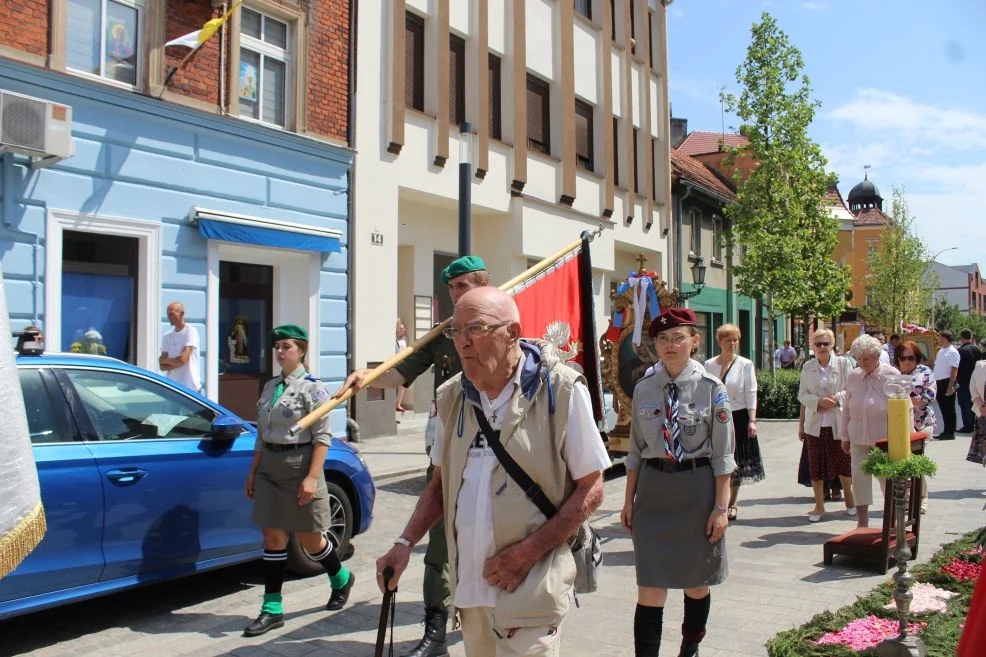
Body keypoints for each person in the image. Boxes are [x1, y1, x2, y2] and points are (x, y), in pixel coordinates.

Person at [375, 287, 610, 656]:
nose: (463, 343)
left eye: (476, 329)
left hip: (531, 587)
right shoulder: (451, 397)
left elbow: (592, 489)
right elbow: (440, 486)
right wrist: (404, 544)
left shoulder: (560, 389)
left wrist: (527, 553)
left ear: (512, 333)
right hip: (470, 593)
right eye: (456, 332)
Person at [333, 255, 489, 657]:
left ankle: (492, 618)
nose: (456, 294)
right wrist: (364, 378)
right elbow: (402, 373)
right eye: (452, 288)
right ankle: (436, 627)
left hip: (496, 451)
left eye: (463, 286)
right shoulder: (444, 333)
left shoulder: (499, 326)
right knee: (438, 540)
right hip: (448, 449)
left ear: (482, 285)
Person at [621, 308, 735, 657]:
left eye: (677, 338)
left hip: (696, 491)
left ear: (694, 341)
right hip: (654, 495)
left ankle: (690, 645)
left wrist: (720, 508)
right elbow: (636, 452)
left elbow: (723, 456)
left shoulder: (712, 389)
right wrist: (628, 502)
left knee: (696, 584)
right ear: (654, 344)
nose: (669, 345)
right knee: (649, 588)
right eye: (662, 339)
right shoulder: (644, 389)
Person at [243, 324, 354, 636]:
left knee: (310, 540)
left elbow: (322, 437)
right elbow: (261, 436)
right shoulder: (268, 388)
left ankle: (341, 578)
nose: (280, 351)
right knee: (273, 539)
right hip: (269, 467)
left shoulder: (314, 388)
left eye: (287, 346)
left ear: (302, 350)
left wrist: (312, 477)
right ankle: (272, 608)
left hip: (300, 465)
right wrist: (252, 471)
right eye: (277, 346)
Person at [840, 334, 900, 529]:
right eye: (858, 358)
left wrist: (902, 439)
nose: (861, 362)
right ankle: (862, 523)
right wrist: (844, 436)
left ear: (876, 356)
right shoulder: (853, 376)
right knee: (859, 480)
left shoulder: (891, 375)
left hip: (884, 440)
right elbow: (847, 408)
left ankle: (891, 524)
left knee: (886, 481)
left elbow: (903, 409)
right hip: (858, 438)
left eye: (866, 358)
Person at [703, 323, 761, 521]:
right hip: (717, 417)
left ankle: (731, 503)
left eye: (735, 339)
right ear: (719, 342)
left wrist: (752, 420)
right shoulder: (709, 365)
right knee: (717, 458)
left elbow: (751, 393)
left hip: (738, 416)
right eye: (728, 340)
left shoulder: (745, 364)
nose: (733, 343)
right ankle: (718, 498)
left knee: (736, 461)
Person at [797, 329, 855, 522]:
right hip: (816, 424)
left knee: (844, 464)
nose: (822, 347)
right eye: (818, 344)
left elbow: (852, 389)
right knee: (816, 467)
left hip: (839, 422)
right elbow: (802, 394)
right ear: (813, 346)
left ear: (833, 346)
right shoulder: (807, 367)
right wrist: (818, 401)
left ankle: (850, 501)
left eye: (826, 344)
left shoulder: (844, 364)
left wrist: (836, 399)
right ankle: (819, 506)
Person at [895, 340, 936, 514]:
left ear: (917, 358)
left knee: (915, 462)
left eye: (911, 357)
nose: (907, 361)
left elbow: (929, 396)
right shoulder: (893, 373)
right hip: (898, 424)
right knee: (901, 462)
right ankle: (904, 499)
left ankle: (921, 498)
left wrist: (907, 400)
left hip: (921, 425)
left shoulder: (924, 372)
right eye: (903, 358)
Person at [159, 301, 201, 392]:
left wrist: (168, 361)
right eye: (168, 314)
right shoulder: (167, 336)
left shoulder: (190, 332)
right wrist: (176, 362)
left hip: (190, 389)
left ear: (181, 314)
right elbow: (161, 365)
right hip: (173, 388)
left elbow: (183, 359)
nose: (169, 317)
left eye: (172, 314)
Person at [932, 330, 960, 440]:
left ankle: (950, 432)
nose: (938, 340)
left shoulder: (952, 352)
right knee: (943, 408)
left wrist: (951, 385)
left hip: (947, 382)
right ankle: (946, 430)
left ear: (944, 338)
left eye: (939, 337)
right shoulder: (941, 351)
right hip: (939, 382)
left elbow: (954, 370)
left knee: (949, 408)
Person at [956, 329, 981, 433]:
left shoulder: (960, 351)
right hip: (976, 381)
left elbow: (958, 367)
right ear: (971, 337)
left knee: (964, 404)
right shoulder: (977, 350)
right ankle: (975, 424)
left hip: (963, 381)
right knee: (975, 403)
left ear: (961, 338)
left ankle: (968, 426)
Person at [395, 318, 409, 413]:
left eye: (404, 328)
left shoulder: (404, 339)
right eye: (401, 328)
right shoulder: (395, 339)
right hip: (394, 362)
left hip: (402, 362)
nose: (403, 330)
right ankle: (395, 404)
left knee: (402, 385)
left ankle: (398, 404)